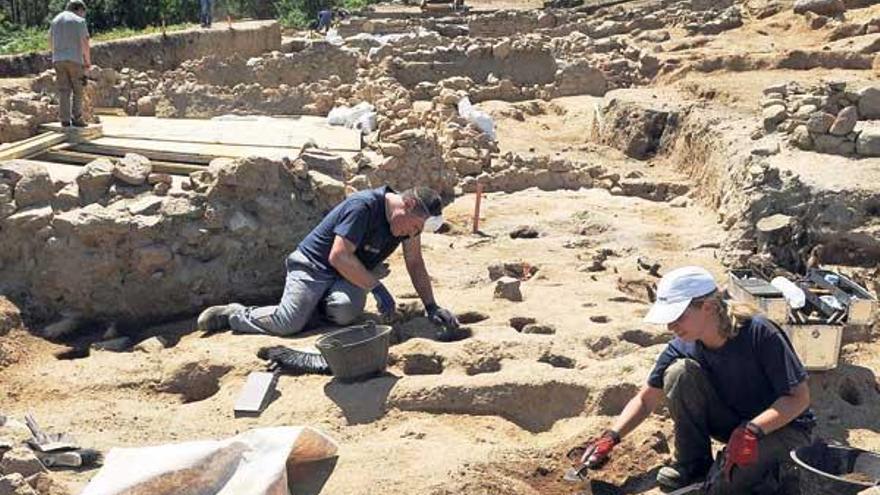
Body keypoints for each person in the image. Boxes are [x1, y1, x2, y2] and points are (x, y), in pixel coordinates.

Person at [571, 266, 814, 494]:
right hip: (734, 427)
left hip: (782, 427)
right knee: (680, 373)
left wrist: (752, 430)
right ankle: (693, 464)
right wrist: (610, 437)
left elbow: (798, 398)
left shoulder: (760, 333)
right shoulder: (684, 344)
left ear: (708, 307)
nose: (671, 325)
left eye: (678, 316)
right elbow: (646, 401)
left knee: (722, 487)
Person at [197, 186, 459, 337]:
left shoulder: (408, 225)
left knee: (344, 312)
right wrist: (376, 288)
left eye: (418, 230)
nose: (412, 233)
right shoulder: (365, 206)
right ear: (408, 203)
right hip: (313, 266)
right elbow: (339, 256)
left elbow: (415, 263)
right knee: (288, 324)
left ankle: (311, 309)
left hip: (348, 274)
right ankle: (237, 315)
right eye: (413, 226)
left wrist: (431, 306)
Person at [48, 0, 91, 128]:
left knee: (64, 90)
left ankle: (65, 120)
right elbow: (85, 42)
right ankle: (77, 118)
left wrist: (55, 54)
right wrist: (87, 62)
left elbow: (50, 40)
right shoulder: (79, 21)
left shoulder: (55, 20)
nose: (84, 15)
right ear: (79, 9)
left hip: (58, 59)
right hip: (75, 59)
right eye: (83, 13)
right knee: (78, 89)